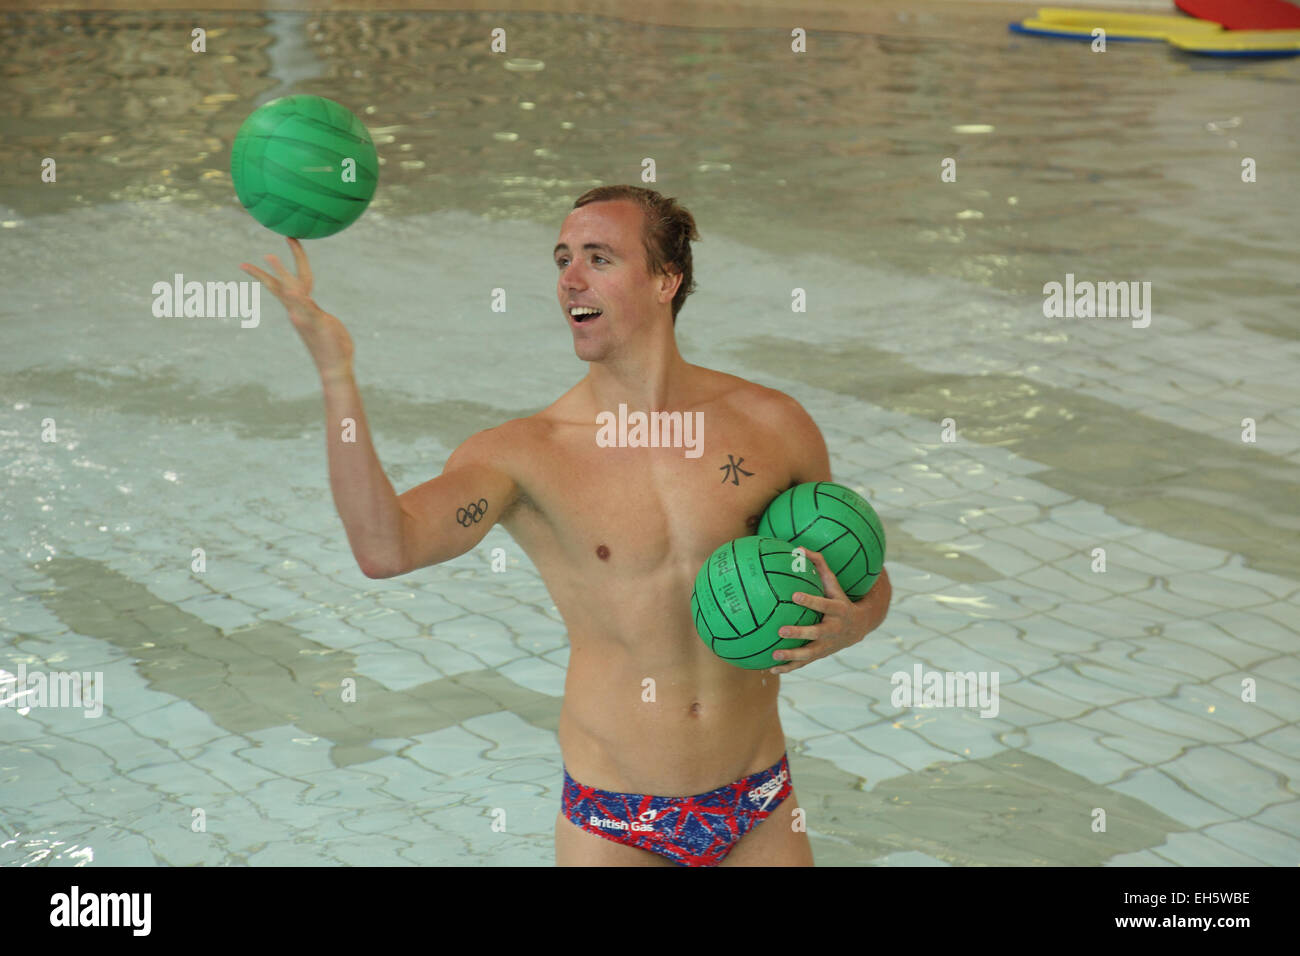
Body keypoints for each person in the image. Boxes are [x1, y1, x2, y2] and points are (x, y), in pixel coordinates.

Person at [240, 185, 891, 866]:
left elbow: (863, 580)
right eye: (562, 260)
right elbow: (384, 548)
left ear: (666, 280)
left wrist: (859, 619)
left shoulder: (772, 425)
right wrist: (336, 374)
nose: (569, 280)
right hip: (615, 820)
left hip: (759, 801)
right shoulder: (527, 454)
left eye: (599, 258)